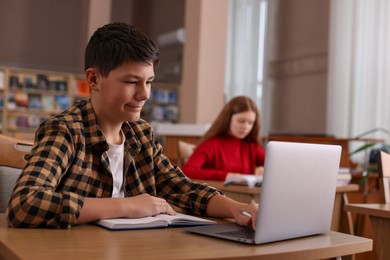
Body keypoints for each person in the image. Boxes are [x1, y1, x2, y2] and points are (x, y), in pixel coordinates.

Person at [6, 22, 258, 229]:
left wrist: (239, 209)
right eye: (132, 82)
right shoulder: (65, 130)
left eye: (149, 82)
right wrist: (127, 206)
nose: (145, 94)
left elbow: (184, 189)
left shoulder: (141, 134)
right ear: (93, 79)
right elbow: (25, 203)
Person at [182, 96, 265, 181]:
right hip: (217, 192)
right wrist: (227, 176)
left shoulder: (251, 146)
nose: (246, 127)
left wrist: (265, 171)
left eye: (250, 123)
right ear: (228, 119)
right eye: (241, 121)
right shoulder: (211, 144)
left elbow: (274, 166)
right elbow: (188, 171)